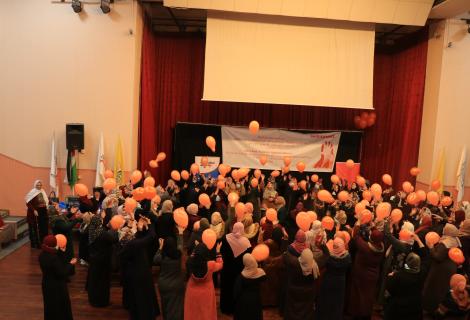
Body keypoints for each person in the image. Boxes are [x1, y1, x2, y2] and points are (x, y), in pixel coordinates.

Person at [120, 217, 160, 320]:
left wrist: (139, 229)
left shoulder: (128, 244)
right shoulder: (134, 244)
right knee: (143, 297)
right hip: (141, 273)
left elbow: (138, 238)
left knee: (135, 296)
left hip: (132, 272)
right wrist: (150, 224)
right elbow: (151, 236)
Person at [422, 223, 461, 313]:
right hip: (450, 269)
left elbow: (438, 257)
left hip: (440, 270)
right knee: (443, 290)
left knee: (433, 290)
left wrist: (431, 247)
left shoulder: (445, 243)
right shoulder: (455, 240)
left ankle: (429, 308)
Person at [347, 228, 385, 319]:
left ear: (371, 238)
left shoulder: (365, 247)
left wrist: (359, 224)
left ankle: (357, 314)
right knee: (368, 296)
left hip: (361, 275)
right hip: (373, 276)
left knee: (358, 296)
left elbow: (356, 237)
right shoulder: (382, 248)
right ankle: (367, 314)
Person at [39, 235, 76, 320]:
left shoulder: (41, 255)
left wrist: (60, 251)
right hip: (57, 286)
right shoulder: (54, 258)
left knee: (49, 306)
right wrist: (71, 264)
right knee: (60, 307)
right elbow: (62, 273)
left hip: (46, 284)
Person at [184, 242, 223, 320]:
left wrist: (196, 249)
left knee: (193, 312)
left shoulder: (189, 262)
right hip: (207, 291)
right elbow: (220, 264)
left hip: (192, 290)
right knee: (206, 312)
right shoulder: (211, 264)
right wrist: (218, 252)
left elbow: (191, 257)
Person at [316, 237, 352, 320]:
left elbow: (324, 258)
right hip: (340, 283)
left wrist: (322, 245)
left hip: (328, 281)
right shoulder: (347, 258)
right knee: (337, 303)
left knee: (326, 302)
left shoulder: (329, 257)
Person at [219, 222, 252, 314]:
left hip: (226, 269)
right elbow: (249, 256)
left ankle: (225, 308)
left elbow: (221, 252)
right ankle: (236, 309)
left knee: (226, 288)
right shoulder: (246, 242)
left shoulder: (225, 238)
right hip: (239, 271)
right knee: (237, 289)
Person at [87, 212, 118, 307]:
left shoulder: (92, 231)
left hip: (94, 259)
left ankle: (93, 299)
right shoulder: (102, 234)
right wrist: (115, 229)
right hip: (103, 261)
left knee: (94, 281)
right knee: (102, 282)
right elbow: (114, 240)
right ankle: (101, 301)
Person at [383, 253, 424, 320]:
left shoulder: (398, 276)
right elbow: (426, 258)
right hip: (415, 308)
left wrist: (390, 277)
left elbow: (389, 289)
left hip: (398, 309)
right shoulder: (422, 274)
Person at [154, 237, 185, 320]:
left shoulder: (162, 256)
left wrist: (160, 247)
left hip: (164, 284)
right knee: (177, 307)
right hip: (177, 285)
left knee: (165, 305)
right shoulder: (178, 255)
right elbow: (180, 245)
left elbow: (155, 259)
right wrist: (180, 234)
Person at [283, 248, 318, 320]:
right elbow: (326, 255)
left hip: (294, 291)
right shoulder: (315, 266)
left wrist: (286, 242)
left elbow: (286, 255)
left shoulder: (294, 264)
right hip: (309, 292)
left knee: (293, 310)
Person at [233, 253, 267, 320]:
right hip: (256, 299)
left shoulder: (241, 277)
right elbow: (265, 278)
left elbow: (236, 292)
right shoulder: (261, 273)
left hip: (243, 302)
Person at [25, 180, 49, 248]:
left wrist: (52, 203)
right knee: (35, 229)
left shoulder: (42, 191)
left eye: (40, 185)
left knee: (43, 228)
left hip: (43, 212)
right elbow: (28, 203)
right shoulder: (32, 192)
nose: (39, 186)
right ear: (35, 185)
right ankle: (36, 244)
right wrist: (34, 210)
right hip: (35, 213)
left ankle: (43, 242)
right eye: (37, 185)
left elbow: (45, 200)